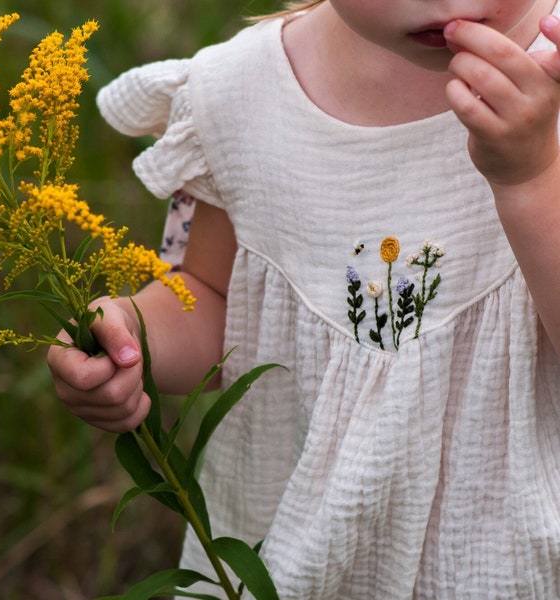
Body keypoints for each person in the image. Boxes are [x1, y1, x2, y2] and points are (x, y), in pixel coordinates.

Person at [48, 0, 560, 596]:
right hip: (298, 566)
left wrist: (532, 178)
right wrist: (129, 335)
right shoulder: (244, 92)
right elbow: (209, 295)